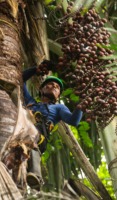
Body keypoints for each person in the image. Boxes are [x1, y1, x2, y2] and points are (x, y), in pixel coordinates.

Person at [22, 60, 83, 189]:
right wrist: (36, 68)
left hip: (39, 137)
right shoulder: (30, 102)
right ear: (42, 89)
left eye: (57, 87)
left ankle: (36, 176)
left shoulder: (59, 108)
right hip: (21, 133)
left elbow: (74, 121)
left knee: (32, 136)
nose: (55, 87)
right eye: (51, 84)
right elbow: (19, 80)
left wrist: (82, 102)